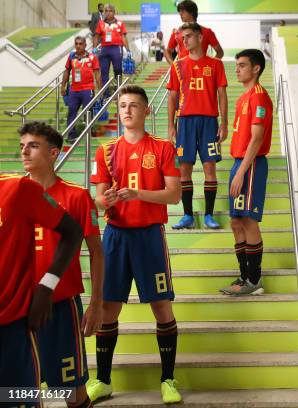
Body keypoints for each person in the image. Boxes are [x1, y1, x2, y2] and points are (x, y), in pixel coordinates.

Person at [88, 85, 182, 404]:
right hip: (115, 236)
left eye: (134, 105)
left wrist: (139, 193)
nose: (127, 110)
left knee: (161, 306)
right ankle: (102, 381)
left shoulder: (163, 148)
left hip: (149, 236)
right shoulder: (106, 150)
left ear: (146, 111)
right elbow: (99, 200)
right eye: (123, 105)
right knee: (107, 309)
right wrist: (107, 199)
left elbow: (174, 194)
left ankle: (168, 379)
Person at [19, 121, 104, 408]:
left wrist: (96, 303)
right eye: (22, 146)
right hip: (18, 307)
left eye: (33, 146)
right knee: (21, 391)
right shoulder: (11, 195)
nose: (25, 152)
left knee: (72, 392)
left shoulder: (77, 196)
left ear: (54, 153)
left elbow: (96, 252)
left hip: (60, 306)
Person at [0, 174, 82, 400]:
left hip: (13, 327)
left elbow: (73, 231)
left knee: (19, 398)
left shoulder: (18, 188)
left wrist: (47, 286)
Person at [219, 49, 273, 296]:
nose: (237, 69)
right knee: (235, 221)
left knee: (248, 220)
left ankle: (254, 279)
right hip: (239, 163)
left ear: (256, 69)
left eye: (242, 65)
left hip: (250, 165)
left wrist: (242, 172)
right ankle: (244, 276)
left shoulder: (260, 97)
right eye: (237, 65)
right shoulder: (243, 98)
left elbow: (257, 139)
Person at [167, 22, 228, 230]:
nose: (185, 41)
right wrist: (171, 126)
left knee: (210, 167)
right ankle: (187, 215)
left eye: (189, 36)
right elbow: (172, 95)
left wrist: (225, 123)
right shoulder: (177, 65)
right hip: (184, 122)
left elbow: (222, 94)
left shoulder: (215, 64)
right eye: (183, 38)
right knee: (185, 169)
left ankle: (209, 215)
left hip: (209, 122)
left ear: (200, 38)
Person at [61, 36, 102, 143]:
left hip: (87, 89)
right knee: (71, 112)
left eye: (80, 44)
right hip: (74, 90)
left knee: (88, 112)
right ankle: (71, 135)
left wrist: (100, 89)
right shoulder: (71, 57)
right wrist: (63, 86)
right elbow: (66, 71)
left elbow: (97, 73)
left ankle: (89, 133)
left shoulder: (92, 57)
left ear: (85, 45)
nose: (78, 46)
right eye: (76, 44)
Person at [164, 0, 223, 64]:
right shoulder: (177, 33)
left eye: (183, 11)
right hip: (183, 71)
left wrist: (211, 65)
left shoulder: (207, 32)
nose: (180, 14)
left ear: (191, 12)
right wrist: (173, 66)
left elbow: (220, 52)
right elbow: (168, 51)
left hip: (201, 71)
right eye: (179, 12)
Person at [93, 3, 130, 95]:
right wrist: (94, 48)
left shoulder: (120, 23)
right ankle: (105, 93)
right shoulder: (101, 23)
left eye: (110, 11)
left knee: (117, 69)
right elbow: (96, 36)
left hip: (116, 49)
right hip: (104, 49)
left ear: (114, 12)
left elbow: (123, 37)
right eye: (106, 11)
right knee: (104, 71)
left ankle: (118, 90)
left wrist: (128, 50)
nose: (108, 13)